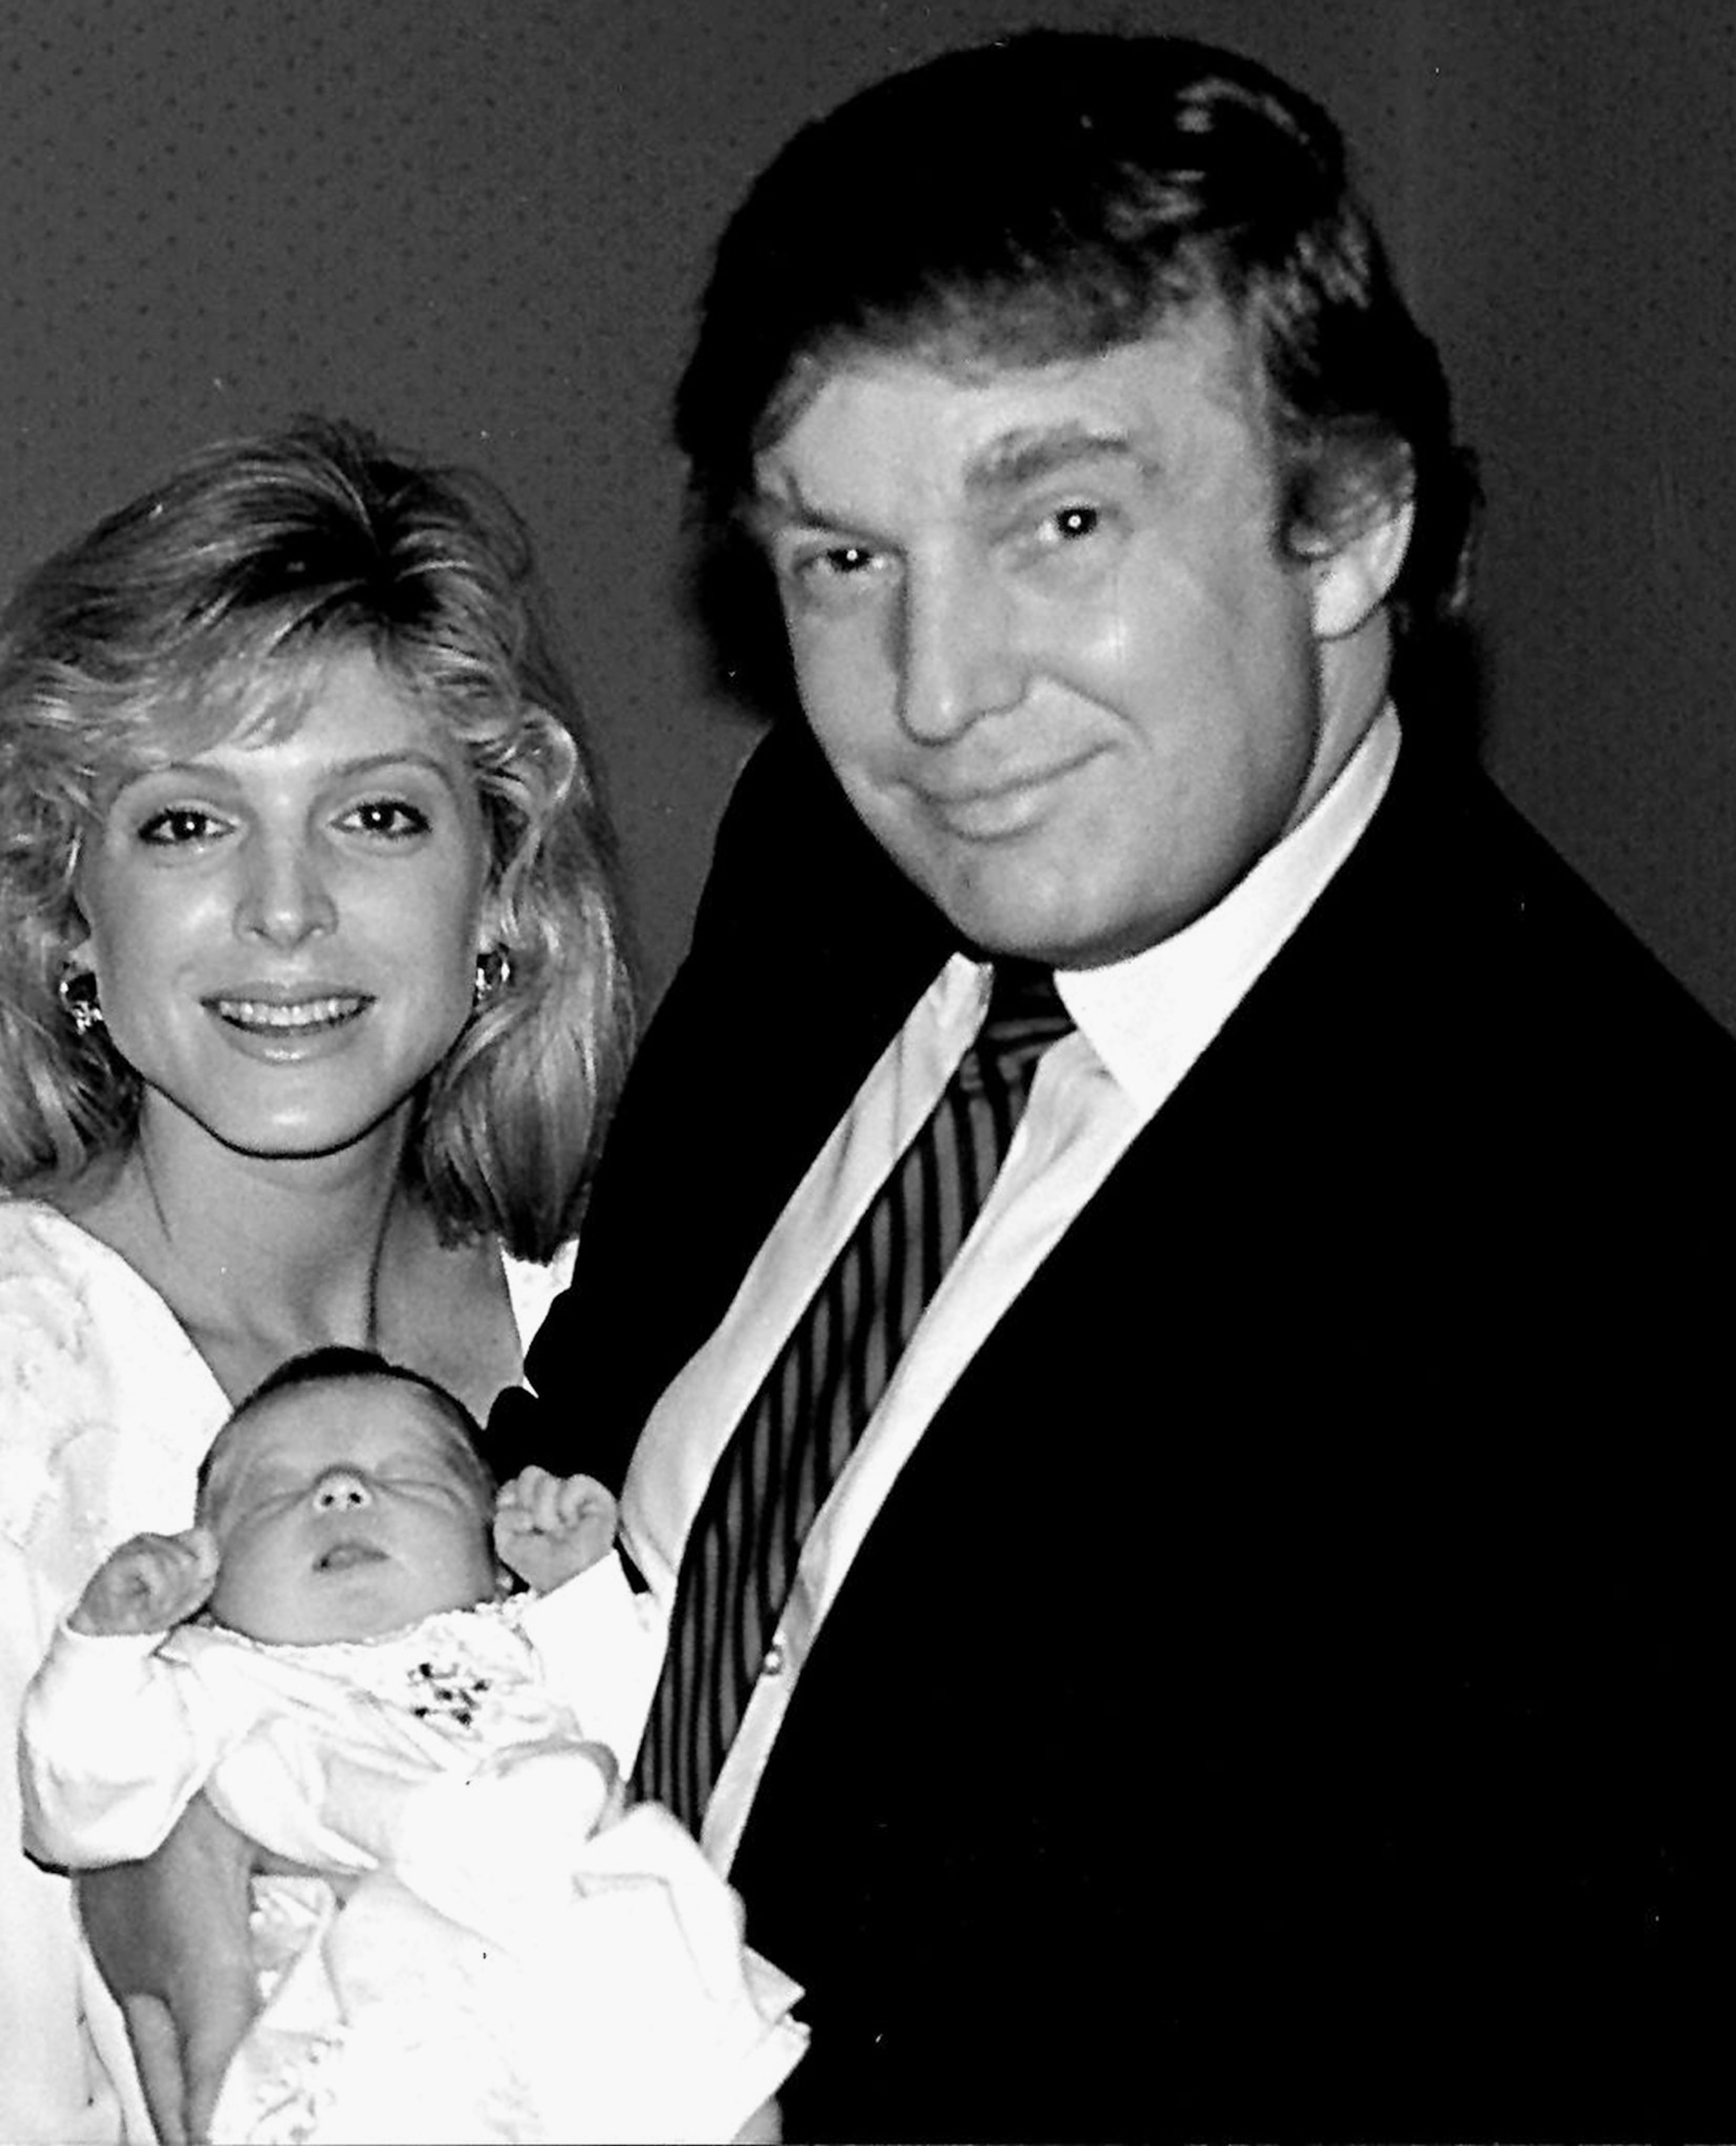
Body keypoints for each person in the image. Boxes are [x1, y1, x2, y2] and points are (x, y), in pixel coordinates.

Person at [516, 27, 1736, 2141]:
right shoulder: (831, 856)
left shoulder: (1635, 1267)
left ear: (1347, 523)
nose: (936, 693)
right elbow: (605, 1430)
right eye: (842, 558)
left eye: (1058, 517)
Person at [0, 416, 633, 2143]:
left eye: (377, 813)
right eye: (187, 821)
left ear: (498, 894)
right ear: (66, 916)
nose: (285, 911)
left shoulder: (615, 1342)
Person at [21, 1345, 801, 2144]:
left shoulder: (527, 1641)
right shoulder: (219, 1677)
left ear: (495, 1555)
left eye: (408, 1477)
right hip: (379, 2017)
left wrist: (580, 1591)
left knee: (686, 2007)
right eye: (273, 1492)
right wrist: (102, 1650)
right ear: (209, 1586)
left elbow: (665, 1742)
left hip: (587, 1971)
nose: (340, 1491)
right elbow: (84, 1813)